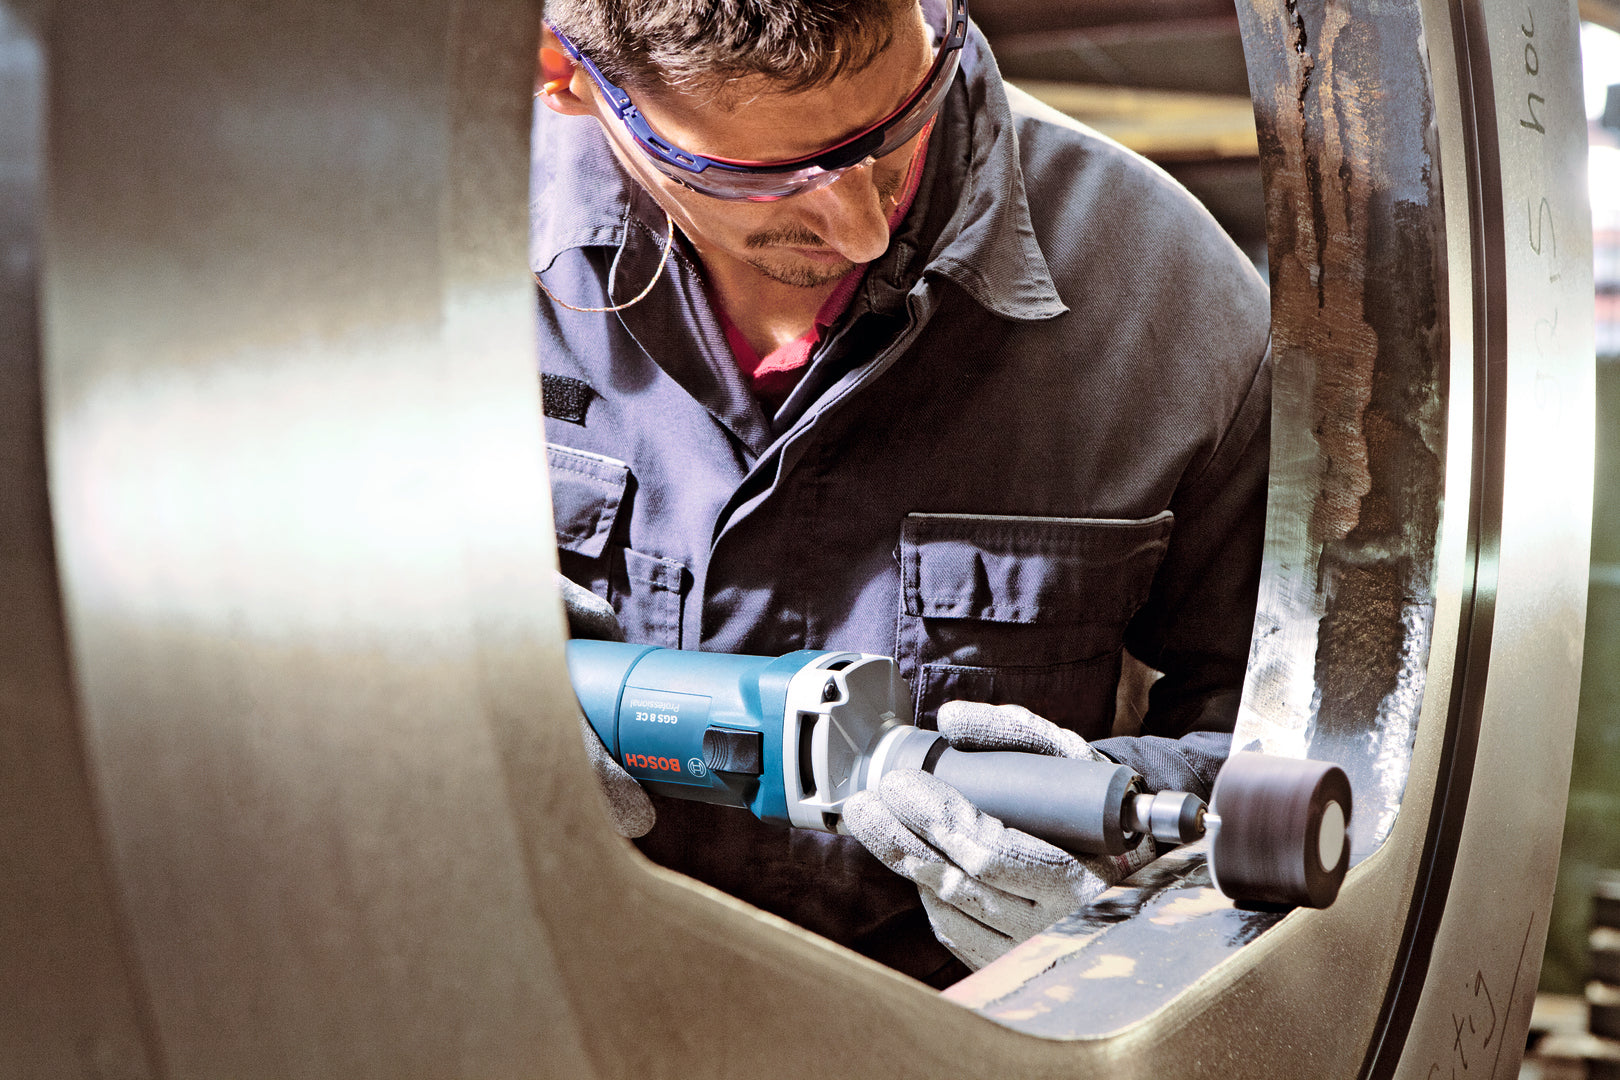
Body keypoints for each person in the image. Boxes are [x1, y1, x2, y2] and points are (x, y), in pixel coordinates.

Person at [533, 0, 1271, 987]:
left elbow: (1289, 735)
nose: (864, 228)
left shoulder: (1171, 299)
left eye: (898, 126)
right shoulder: (402, 262)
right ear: (565, 75)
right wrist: (423, 709)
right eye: (771, 178)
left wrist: (1137, 871)